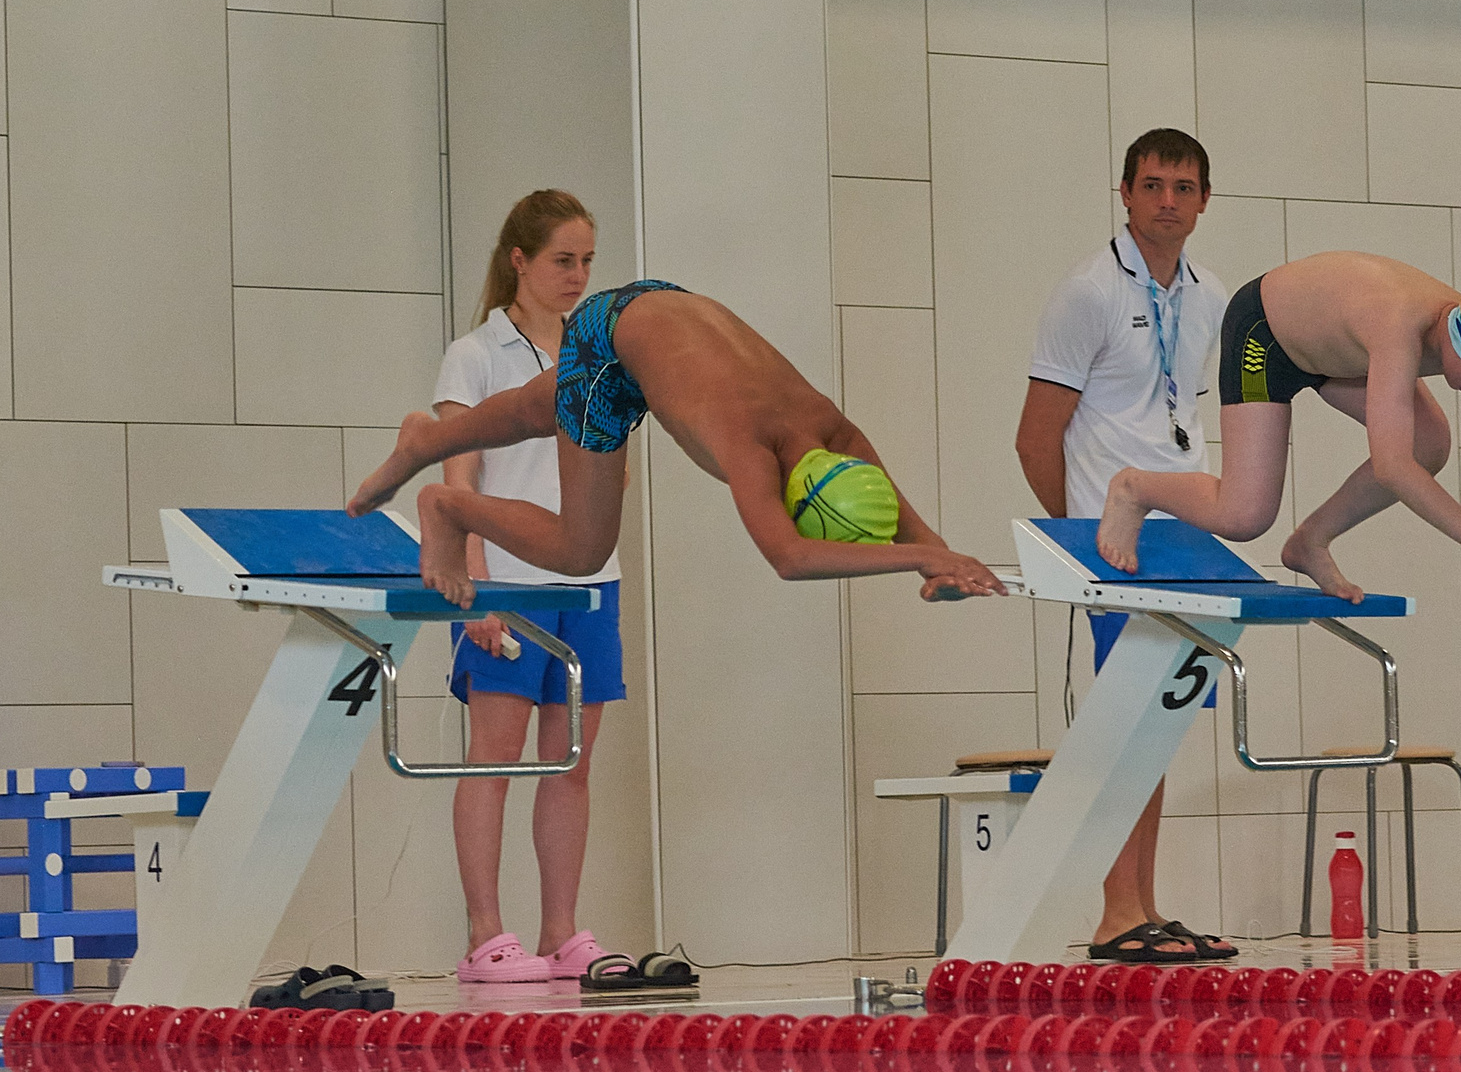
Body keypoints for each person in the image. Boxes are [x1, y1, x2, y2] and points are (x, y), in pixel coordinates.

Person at [349, 282, 1001, 602]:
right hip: (613, 345)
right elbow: (791, 557)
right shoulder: (750, 446)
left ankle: (425, 439)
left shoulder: (835, 430)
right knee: (583, 549)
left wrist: (940, 564)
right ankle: (449, 508)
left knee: (531, 408)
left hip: (657, 304)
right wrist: (917, 558)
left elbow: (925, 543)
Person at [1016, 128, 1234, 965]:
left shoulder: (1209, 292)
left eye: (1184, 186)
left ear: (1205, 200)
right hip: (1117, 537)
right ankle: (1115, 910)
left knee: (1161, 721)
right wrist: (1082, 536)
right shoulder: (1088, 291)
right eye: (1153, 184)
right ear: (1125, 191)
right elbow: (1037, 436)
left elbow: (1177, 415)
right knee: (1126, 718)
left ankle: (1141, 902)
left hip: (1184, 529)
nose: (1167, 200)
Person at [1095, 255, 1461, 605]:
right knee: (1244, 517)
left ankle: (1309, 540)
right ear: (1459, 334)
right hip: (1266, 334)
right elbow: (1392, 468)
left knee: (1430, 443)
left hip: (1335, 352)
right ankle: (1134, 488)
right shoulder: (1398, 322)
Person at [435, 192, 630, 985]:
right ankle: (486, 933)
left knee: (570, 762)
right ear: (520, 260)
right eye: (563, 260)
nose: (579, 275)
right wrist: (476, 587)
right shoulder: (474, 355)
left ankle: (560, 929)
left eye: (587, 260)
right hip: (506, 579)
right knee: (494, 758)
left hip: (588, 582)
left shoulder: (599, 358)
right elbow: (459, 478)